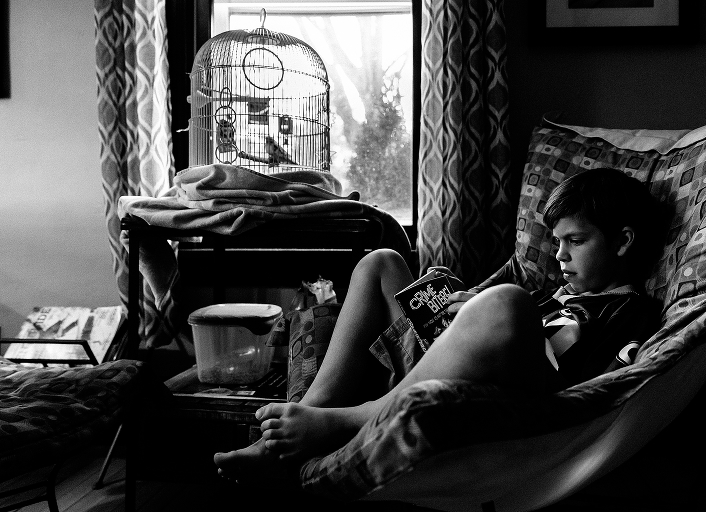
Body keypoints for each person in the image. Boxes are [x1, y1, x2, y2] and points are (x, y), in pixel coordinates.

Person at [213, 167, 663, 481]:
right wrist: (463, 308)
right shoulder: (558, 294)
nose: (560, 255)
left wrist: (496, 310)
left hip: (521, 392)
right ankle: (315, 407)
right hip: (446, 363)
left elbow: (601, 384)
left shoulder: (631, 311)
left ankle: (347, 420)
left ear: (623, 242)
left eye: (576, 242)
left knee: (507, 301)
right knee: (383, 262)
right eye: (557, 242)